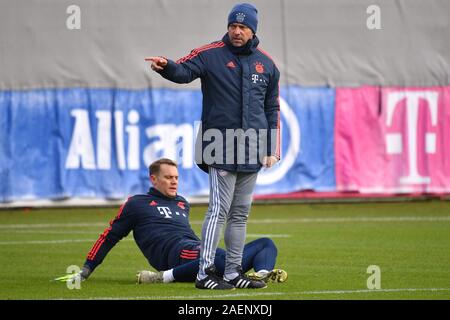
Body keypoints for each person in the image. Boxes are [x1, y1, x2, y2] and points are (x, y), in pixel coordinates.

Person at [146, 3, 280, 290]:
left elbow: (272, 108)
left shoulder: (266, 64)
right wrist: (166, 67)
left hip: (253, 150)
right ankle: (204, 273)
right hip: (219, 146)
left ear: (253, 30)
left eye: (243, 27)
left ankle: (232, 272)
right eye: (233, 25)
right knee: (219, 210)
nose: (236, 31)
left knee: (240, 213)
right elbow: (183, 71)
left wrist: (272, 148)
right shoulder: (209, 54)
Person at [54, 158, 287, 288]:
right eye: (168, 177)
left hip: (196, 251)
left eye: (176, 177)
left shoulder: (183, 203)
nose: (174, 182)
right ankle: (160, 277)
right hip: (173, 255)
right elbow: (109, 236)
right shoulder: (137, 204)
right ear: (153, 179)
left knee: (265, 244)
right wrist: (86, 269)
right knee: (216, 257)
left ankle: (261, 274)